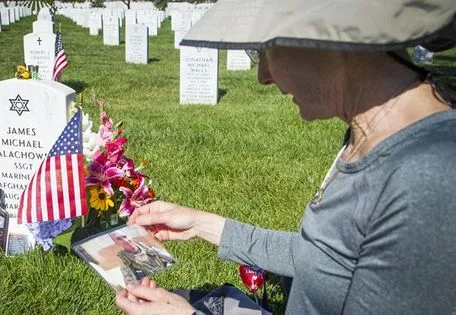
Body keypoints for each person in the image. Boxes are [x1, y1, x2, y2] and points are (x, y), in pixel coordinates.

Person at [115, 0, 456, 314]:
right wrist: (202, 224)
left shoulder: (427, 177)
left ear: (330, 40)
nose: (263, 76)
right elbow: (325, 260)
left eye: (266, 48)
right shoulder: (372, 132)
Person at [109, 232, 175, 284]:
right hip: (152, 281)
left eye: (124, 236)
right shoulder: (124, 258)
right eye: (119, 239)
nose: (126, 240)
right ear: (116, 243)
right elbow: (129, 280)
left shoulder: (143, 245)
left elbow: (167, 256)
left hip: (167, 272)